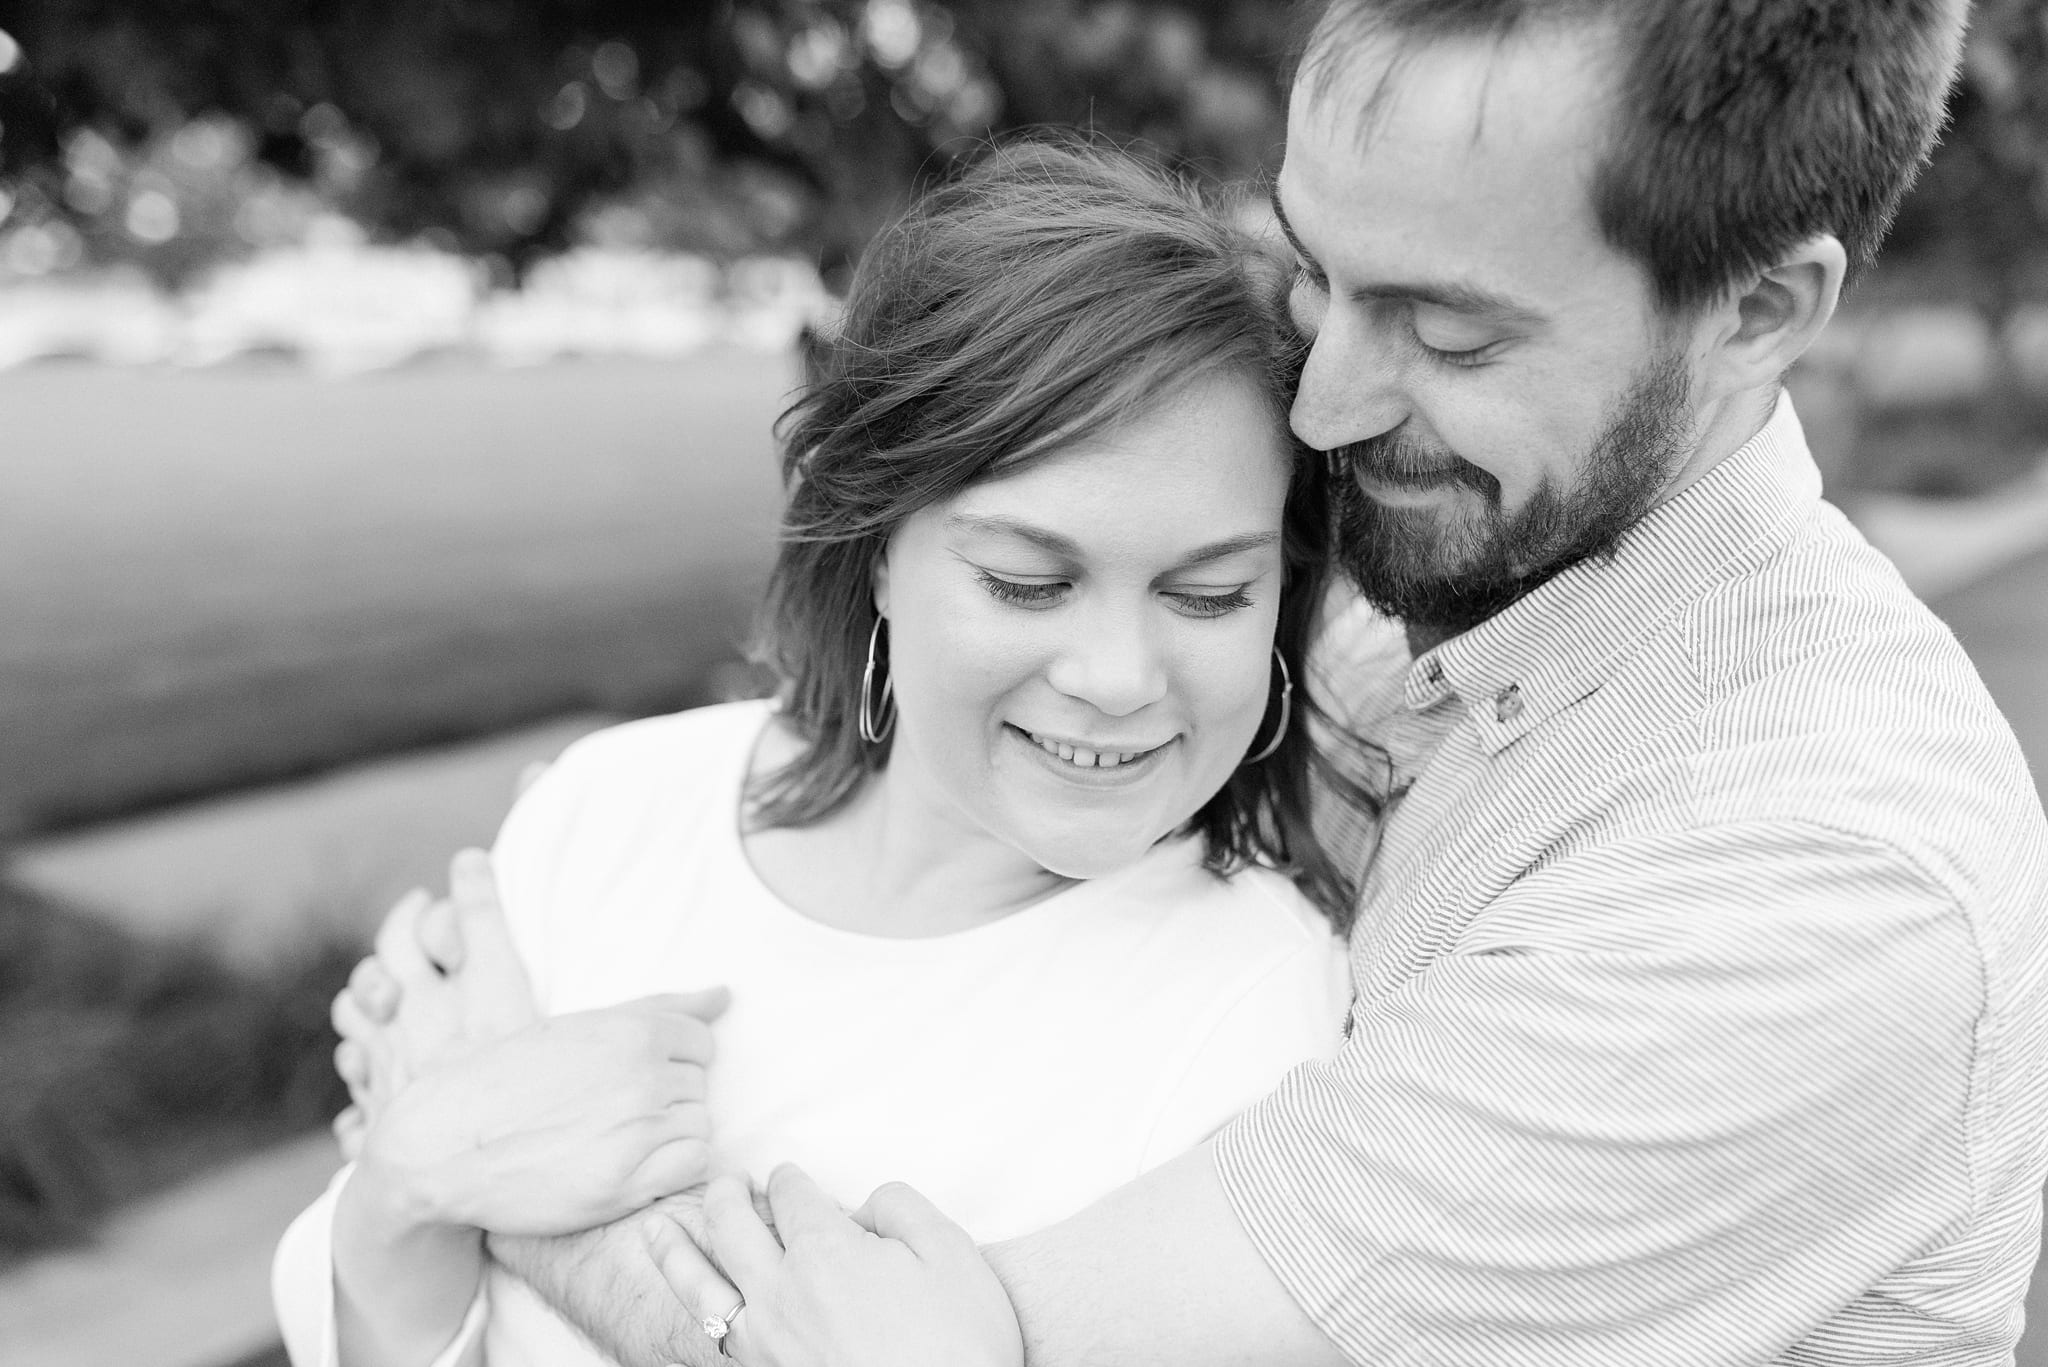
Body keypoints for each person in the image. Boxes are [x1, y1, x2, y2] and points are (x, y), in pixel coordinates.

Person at [335, 0, 2048, 1364]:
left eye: (1445, 332)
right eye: (1317, 273)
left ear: (1756, 309)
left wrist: (456, 1143)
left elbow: (936, 1342)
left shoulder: (1813, 878)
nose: (1317, 404)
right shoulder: (1410, 595)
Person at [271, 139, 1368, 1367]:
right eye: (1026, 580)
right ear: (878, 548)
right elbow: (378, 1318)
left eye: (1209, 594)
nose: (1118, 677)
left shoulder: (1252, 1019)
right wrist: (406, 1185)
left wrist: (468, 1158)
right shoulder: (611, 807)